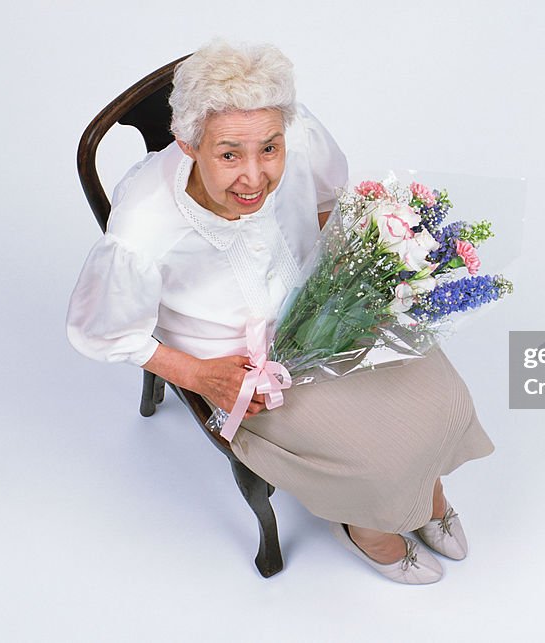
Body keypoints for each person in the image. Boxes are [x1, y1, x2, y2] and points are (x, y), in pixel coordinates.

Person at [66, 40, 494, 584]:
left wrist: (359, 273)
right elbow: (102, 332)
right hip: (240, 361)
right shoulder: (143, 229)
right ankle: (368, 525)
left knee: (445, 397)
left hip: (325, 306)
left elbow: (325, 199)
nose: (254, 177)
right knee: (373, 454)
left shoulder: (294, 132)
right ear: (189, 143)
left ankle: (428, 496)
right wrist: (199, 376)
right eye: (228, 154)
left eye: (269, 149)